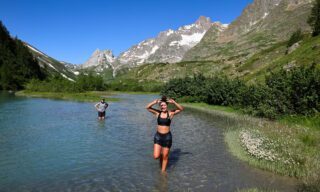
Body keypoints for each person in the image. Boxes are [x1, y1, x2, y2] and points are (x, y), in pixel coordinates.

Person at [146, 96, 183, 172]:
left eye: (165, 105)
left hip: (167, 137)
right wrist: (155, 102)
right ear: (160, 107)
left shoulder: (171, 113)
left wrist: (174, 102)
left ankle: (163, 173)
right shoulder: (157, 113)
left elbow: (181, 109)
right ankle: (161, 159)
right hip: (158, 137)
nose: (163, 107)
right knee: (156, 156)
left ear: (167, 105)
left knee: (165, 156)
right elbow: (147, 107)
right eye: (162, 105)